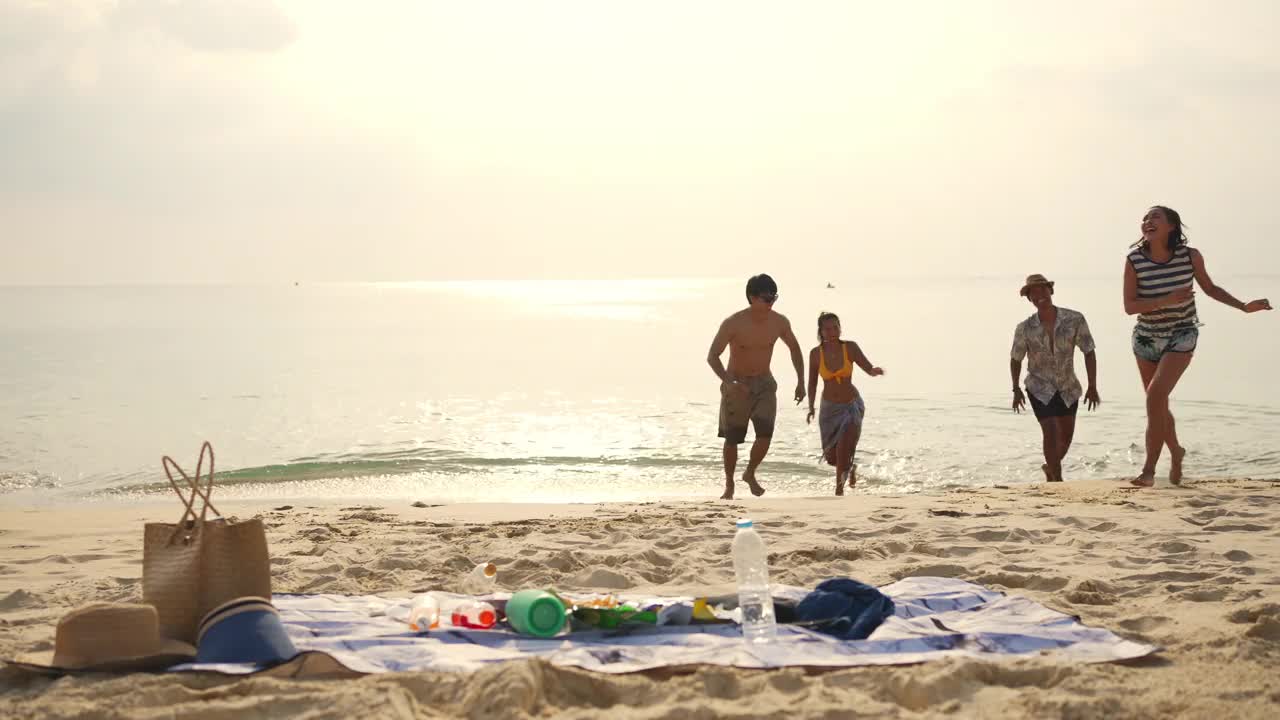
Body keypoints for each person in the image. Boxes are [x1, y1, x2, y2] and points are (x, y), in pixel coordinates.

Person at [1123, 206, 1272, 487]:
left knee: (1155, 396)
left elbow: (1210, 288)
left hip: (1181, 334)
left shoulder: (1189, 256)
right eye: (1145, 218)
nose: (1148, 221)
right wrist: (1165, 300)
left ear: (1171, 226)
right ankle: (1176, 452)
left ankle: (1148, 471)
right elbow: (1130, 306)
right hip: (1145, 338)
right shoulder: (1134, 260)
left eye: (1155, 217)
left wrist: (1243, 306)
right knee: (1158, 404)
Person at [706, 274, 806, 500]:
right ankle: (729, 485)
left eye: (774, 297)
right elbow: (713, 356)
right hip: (736, 383)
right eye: (766, 298)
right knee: (732, 439)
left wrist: (800, 381)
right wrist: (729, 382)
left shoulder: (779, 322)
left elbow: (795, 349)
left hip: (764, 383)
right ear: (752, 297)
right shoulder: (734, 323)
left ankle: (750, 472)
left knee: (765, 434)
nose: (771, 302)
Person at [1010, 274, 1101, 482]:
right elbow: (1016, 359)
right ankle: (1057, 479)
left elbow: (1089, 351)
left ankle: (1051, 468)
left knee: (1066, 438)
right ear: (1030, 299)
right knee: (1050, 430)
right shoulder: (1024, 328)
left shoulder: (1074, 319)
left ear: (1050, 291)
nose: (1040, 295)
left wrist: (1092, 385)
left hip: (1068, 387)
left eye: (1043, 290)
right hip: (1039, 387)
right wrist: (1015, 389)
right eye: (1034, 293)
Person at [805, 312, 883, 495]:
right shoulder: (816, 354)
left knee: (843, 449)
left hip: (850, 405)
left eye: (835, 327)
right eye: (827, 329)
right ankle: (851, 467)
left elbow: (867, 368)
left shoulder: (850, 347)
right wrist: (810, 406)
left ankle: (839, 490)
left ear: (840, 327)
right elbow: (812, 382)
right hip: (829, 409)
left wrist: (875, 371)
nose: (832, 331)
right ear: (821, 331)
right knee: (832, 457)